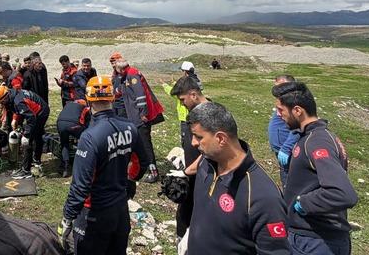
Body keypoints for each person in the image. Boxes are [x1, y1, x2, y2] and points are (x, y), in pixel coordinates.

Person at [59, 76, 150, 255]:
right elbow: (142, 162)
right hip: (120, 209)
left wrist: (68, 217)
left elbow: (81, 185)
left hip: (94, 213)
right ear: (113, 97)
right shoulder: (130, 127)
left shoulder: (89, 137)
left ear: (88, 100)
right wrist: (128, 180)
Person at [186, 102, 290, 254]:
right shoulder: (205, 164)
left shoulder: (263, 196)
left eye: (198, 137)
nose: (193, 143)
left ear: (221, 138)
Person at [275, 81, 358, 255]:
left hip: (316, 241)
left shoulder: (317, 142)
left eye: (281, 110)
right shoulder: (312, 136)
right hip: (313, 237)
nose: (278, 114)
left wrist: (303, 203)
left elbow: (343, 194)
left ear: (297, 110)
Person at [169, 76, 209, 240]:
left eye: (183, 99)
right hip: (192, 173)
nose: (182, 103)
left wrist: (187, 171)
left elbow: (209, 152)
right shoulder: (194, 113)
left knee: (195, 214)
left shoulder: (210, 115)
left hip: (203, 177)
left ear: (193, 94)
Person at [115, 58, 165, 183]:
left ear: (120, 68)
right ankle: (138, 169)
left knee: (145, 145)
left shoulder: (132, 75)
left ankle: (153, 172)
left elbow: (140, 95)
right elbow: (121, 91)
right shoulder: (125, 76)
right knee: (136, 145)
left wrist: (143, 113)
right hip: (133, 117)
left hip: (140, 118)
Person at [6, 86, 50, 179]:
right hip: (39, 109)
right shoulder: (14, 94)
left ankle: (26, 170)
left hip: (40, 113)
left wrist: (27, 135)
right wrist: (15, 119)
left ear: (5, 97)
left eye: (1, 102)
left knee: (28, 141)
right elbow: (18, 109)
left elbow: (31, 118)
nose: (1, 104)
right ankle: (36, 160)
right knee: (37, 136)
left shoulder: (18, 101)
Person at [269, 75, 300, 188]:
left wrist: (287, 148)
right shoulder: (282, 102)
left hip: (289, 150)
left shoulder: (293, 103)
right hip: (281, 149)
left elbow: (298, 127)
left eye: (280, 87)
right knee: (285, 174)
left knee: (290, 177)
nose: (277, 90)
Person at [55, 98, 91, 177]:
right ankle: (83, 164)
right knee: (83, 140)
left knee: (64, 144)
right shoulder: (85, 108)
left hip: (60, 123)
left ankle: (65, 167)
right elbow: (88, 124)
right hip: (74, 124)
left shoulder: (68, 105)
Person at [109, 52, 125, 118]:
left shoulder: (124, 73)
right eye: (112, 63)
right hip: (115, 102)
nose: (113, 65)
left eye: (114, 63)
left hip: (123, 103)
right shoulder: (115, 73)